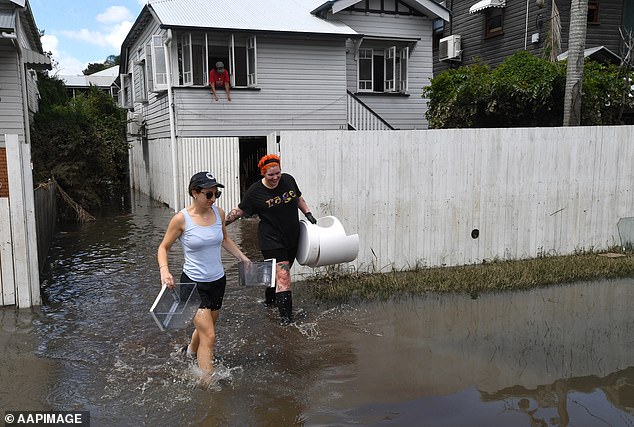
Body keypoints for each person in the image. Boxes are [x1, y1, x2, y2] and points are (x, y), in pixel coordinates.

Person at [157, 171, 249, 379]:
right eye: (209, 194)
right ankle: (208, 382)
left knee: (207, 326)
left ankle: (189, 351)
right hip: (193, 284)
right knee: (209, 335)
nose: (213, 199)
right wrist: (165, 271)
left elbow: (224, 239)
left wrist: (243, 258)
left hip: (218, 281)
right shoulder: (181, 219)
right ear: (194, 193)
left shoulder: (219, 214)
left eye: (216, 194)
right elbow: (163, 247)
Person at [225, 154, 317, 324]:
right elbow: (239, 211)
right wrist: (220, 225)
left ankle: (269, 303)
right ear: (263, 174)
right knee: (283, 277)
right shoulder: (255, 192)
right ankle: (287, 322)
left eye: (278, 174)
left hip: (292, 236)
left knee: (278, 274)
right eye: (271, 175)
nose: (275, 178)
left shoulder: (288, 180)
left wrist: (308, 213)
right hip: (271, 239)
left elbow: (297, 197)